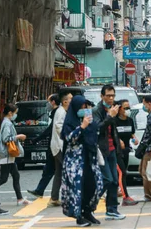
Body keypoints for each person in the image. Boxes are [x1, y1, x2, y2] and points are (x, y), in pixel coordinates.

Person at [61, 95, 104, 227]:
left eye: (85, 107)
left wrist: (89, 125)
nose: (84, 109)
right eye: (81, 107)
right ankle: (78, 216)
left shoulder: (89, 121)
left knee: (96, 185)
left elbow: (96, 132)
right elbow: (69, 138)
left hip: (90, 159)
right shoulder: (69, 122)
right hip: (75, 162)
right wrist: (82, 127)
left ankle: (88, 211)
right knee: (78, 188)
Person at [93, 85, 126, 220]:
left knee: (114, 182)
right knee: (107, 179)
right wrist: (109, 116)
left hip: (112, 150)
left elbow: (113, 131)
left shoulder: (113, 109)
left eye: (113, 95)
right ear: (102, 96)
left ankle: (112, 209)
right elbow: (97, 129)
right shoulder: (97, 110)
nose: (111, 98)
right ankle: (89, 203)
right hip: (101, 151)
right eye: (108, 95)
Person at [0, 103, 29, 206]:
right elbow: (6, 139)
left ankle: (20, 199)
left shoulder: (6, 122)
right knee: (3, 178)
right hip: (6, 154)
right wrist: (18, 136)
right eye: (15, 113)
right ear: (10, 113)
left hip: (8, 155)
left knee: (15, 175)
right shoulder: (7, 123)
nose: (15, 115)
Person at [28, 94, 60, 198]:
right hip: (53, 146)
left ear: (53, 102)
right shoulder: (54, 113)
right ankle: (39, 190)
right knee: (49, 170)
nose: (47, 104)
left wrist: (36, 139)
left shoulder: (57, 113)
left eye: (48, 101)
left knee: (57, 171)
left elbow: (49, 130)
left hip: (55, 146)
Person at [114, 99, 139, 206]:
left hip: (126, 150)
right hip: (116, 151)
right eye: (125, 108)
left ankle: (113, 193)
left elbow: (131, 133)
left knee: (121, 173)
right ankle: (125, 197)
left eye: (129, 108)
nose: (127, 110)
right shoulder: (114, 121)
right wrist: (118, 141)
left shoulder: (130, 120)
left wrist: (134, 138)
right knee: (122, 172)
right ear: (119, 109)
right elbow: (112, 134)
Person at [49, 93, 72, 206]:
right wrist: (67, 137)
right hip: (59, 146)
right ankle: (69, 196)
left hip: (58, 146)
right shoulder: (61, 112)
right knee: (68, 171)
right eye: (70, 99)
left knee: (59, 172)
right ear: (65, 101)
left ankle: (54, 197)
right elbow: (59, 126)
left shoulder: (63, 111)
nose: (72, 100)